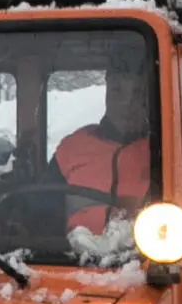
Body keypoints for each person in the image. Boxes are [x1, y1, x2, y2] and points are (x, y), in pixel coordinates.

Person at [54, 77, 155, 237]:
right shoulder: (72, 148)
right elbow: (42, 210)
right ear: (107, 93)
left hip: (144, 257)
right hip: (68, 257)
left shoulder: (166, 150)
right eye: (117, 92)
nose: (127, 103)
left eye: (137, 93)